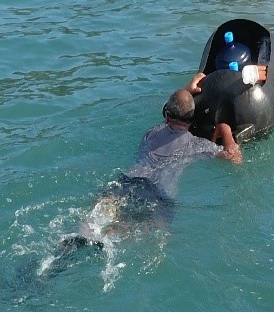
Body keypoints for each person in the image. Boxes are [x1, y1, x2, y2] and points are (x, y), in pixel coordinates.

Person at [63, 73, 240, 247]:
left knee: (96, 215)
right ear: (191, 120)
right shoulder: (196, 146)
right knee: (154, 232)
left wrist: (187, 89)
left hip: (127, 181)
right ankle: (118, 234)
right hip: (159, 194)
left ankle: (83, 233)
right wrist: (224, 129)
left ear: (167, 116)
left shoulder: (152, 133)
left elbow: (168, 111)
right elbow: (234, 158)